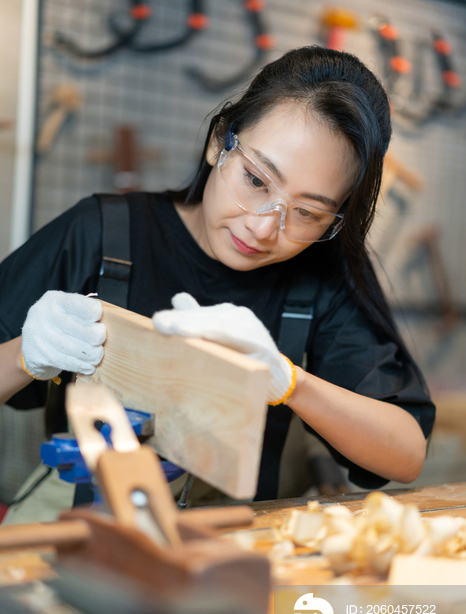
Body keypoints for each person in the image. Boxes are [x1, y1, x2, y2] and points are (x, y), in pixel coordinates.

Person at [0, 46, 435, 520]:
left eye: (308, 213)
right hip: (79, 516)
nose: (265, 227)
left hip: (231, 534)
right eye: (255, 179)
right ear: (218, 142)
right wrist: (27, 353)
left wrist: (290, 381)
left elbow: (406, 454)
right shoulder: (101, 232)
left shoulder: (323, 272)